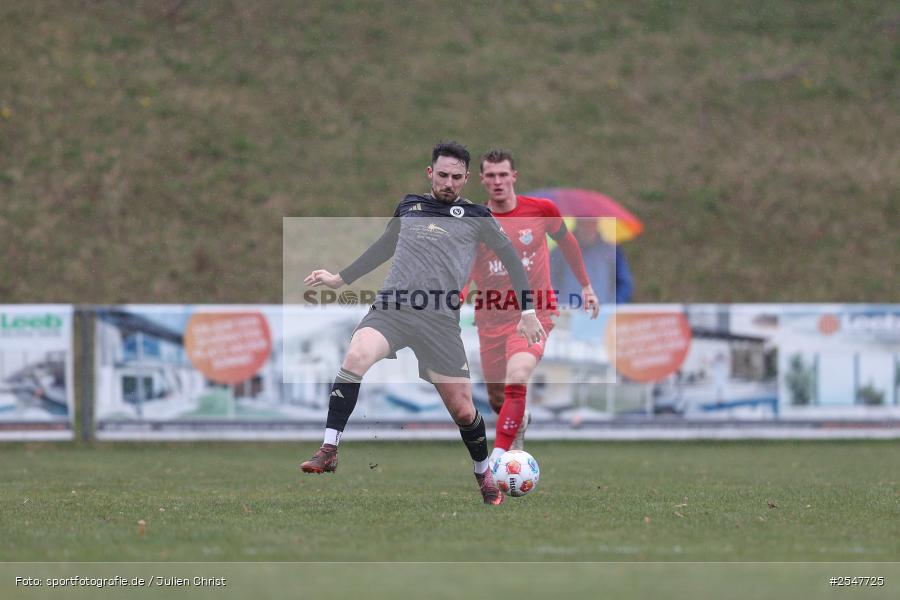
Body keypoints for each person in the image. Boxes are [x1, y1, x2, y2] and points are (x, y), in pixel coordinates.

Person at [300, 141, 545, 506]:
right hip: (393, 308)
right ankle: (329, 448)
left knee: (463, 410)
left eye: (456, 177)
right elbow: (385, 246)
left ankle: (483, 475)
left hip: (439, 321)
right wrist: (341, 278)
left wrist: (527, 312)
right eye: (442, 174)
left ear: (465, 179)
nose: (448, 182)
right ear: (431, 173)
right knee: (356, 355)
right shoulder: (409, 205)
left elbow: (511, 259)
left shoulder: (476, 216)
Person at [467, 149, 599, 468]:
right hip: (491, 316)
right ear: (483, 180)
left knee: (519, 374)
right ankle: (517, 421)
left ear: (514, 177)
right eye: (491, 176)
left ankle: (498, 459)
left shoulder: (541, 210)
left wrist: (585, 285)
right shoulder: (476, 221)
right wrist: (456, 296)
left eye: (503, 174)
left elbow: (567, 242)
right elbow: (467, 268)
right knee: (498, 398)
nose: (498, 181)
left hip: (535, 313)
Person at [551, 217, 633, 304]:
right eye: (584, 222)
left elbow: (624, 284)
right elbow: (549, 281)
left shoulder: (611, 251)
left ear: (597, 223)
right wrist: (561, 304)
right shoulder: (560, 251)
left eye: (591, 221)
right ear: (577, 222)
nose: (588, 226)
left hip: (604, 314)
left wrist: (613, 305)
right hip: (570, 314)